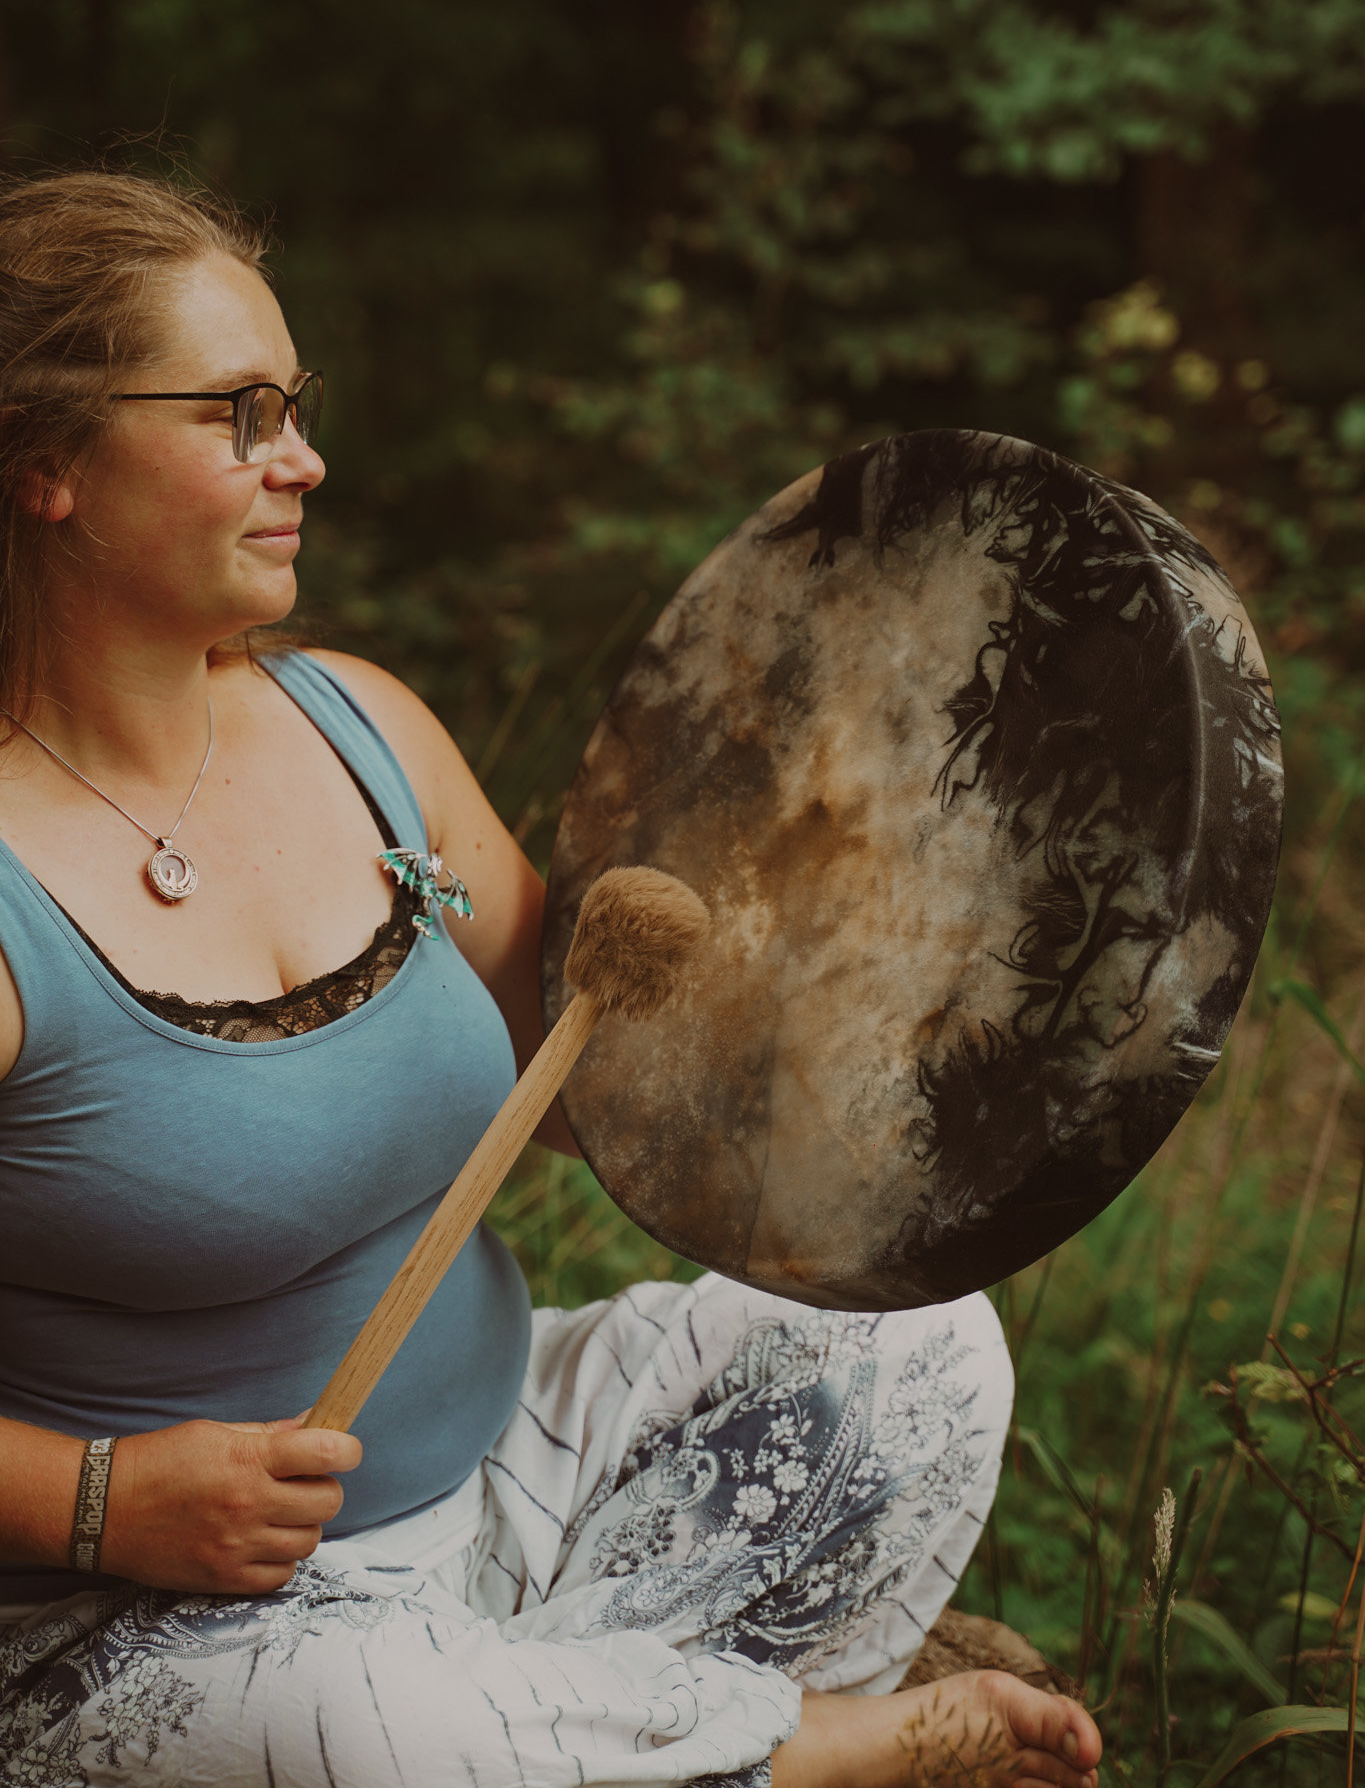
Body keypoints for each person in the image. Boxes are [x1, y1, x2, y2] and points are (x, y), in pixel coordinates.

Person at [0, 169, 1101, 1788]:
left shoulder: (362, 730)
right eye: (236, 414)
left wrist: (844, 902)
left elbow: (594, 1094)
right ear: (45, 468)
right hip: (155, 1622)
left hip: (528, 1469)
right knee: (379, 1738)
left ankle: (577, 1713)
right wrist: (102, 1499)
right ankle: (795, 1745)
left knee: (915, 1348)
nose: (301, 457)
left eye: (293, 406)